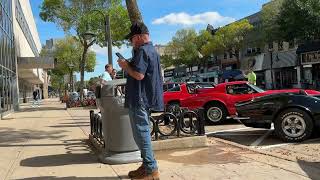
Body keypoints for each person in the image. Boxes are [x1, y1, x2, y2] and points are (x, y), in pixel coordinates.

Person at [117, 22, 163, 180]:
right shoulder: (152, 51)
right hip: (145, 98)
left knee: (141, 134)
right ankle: (146, 166)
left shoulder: (143, 50)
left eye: (131, 39)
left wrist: (125, 66)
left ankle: (151, 169)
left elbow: (139, 75)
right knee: (142, 133)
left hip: (139, 99)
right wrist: (129, 64)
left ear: (137, 37)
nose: (130, 42)